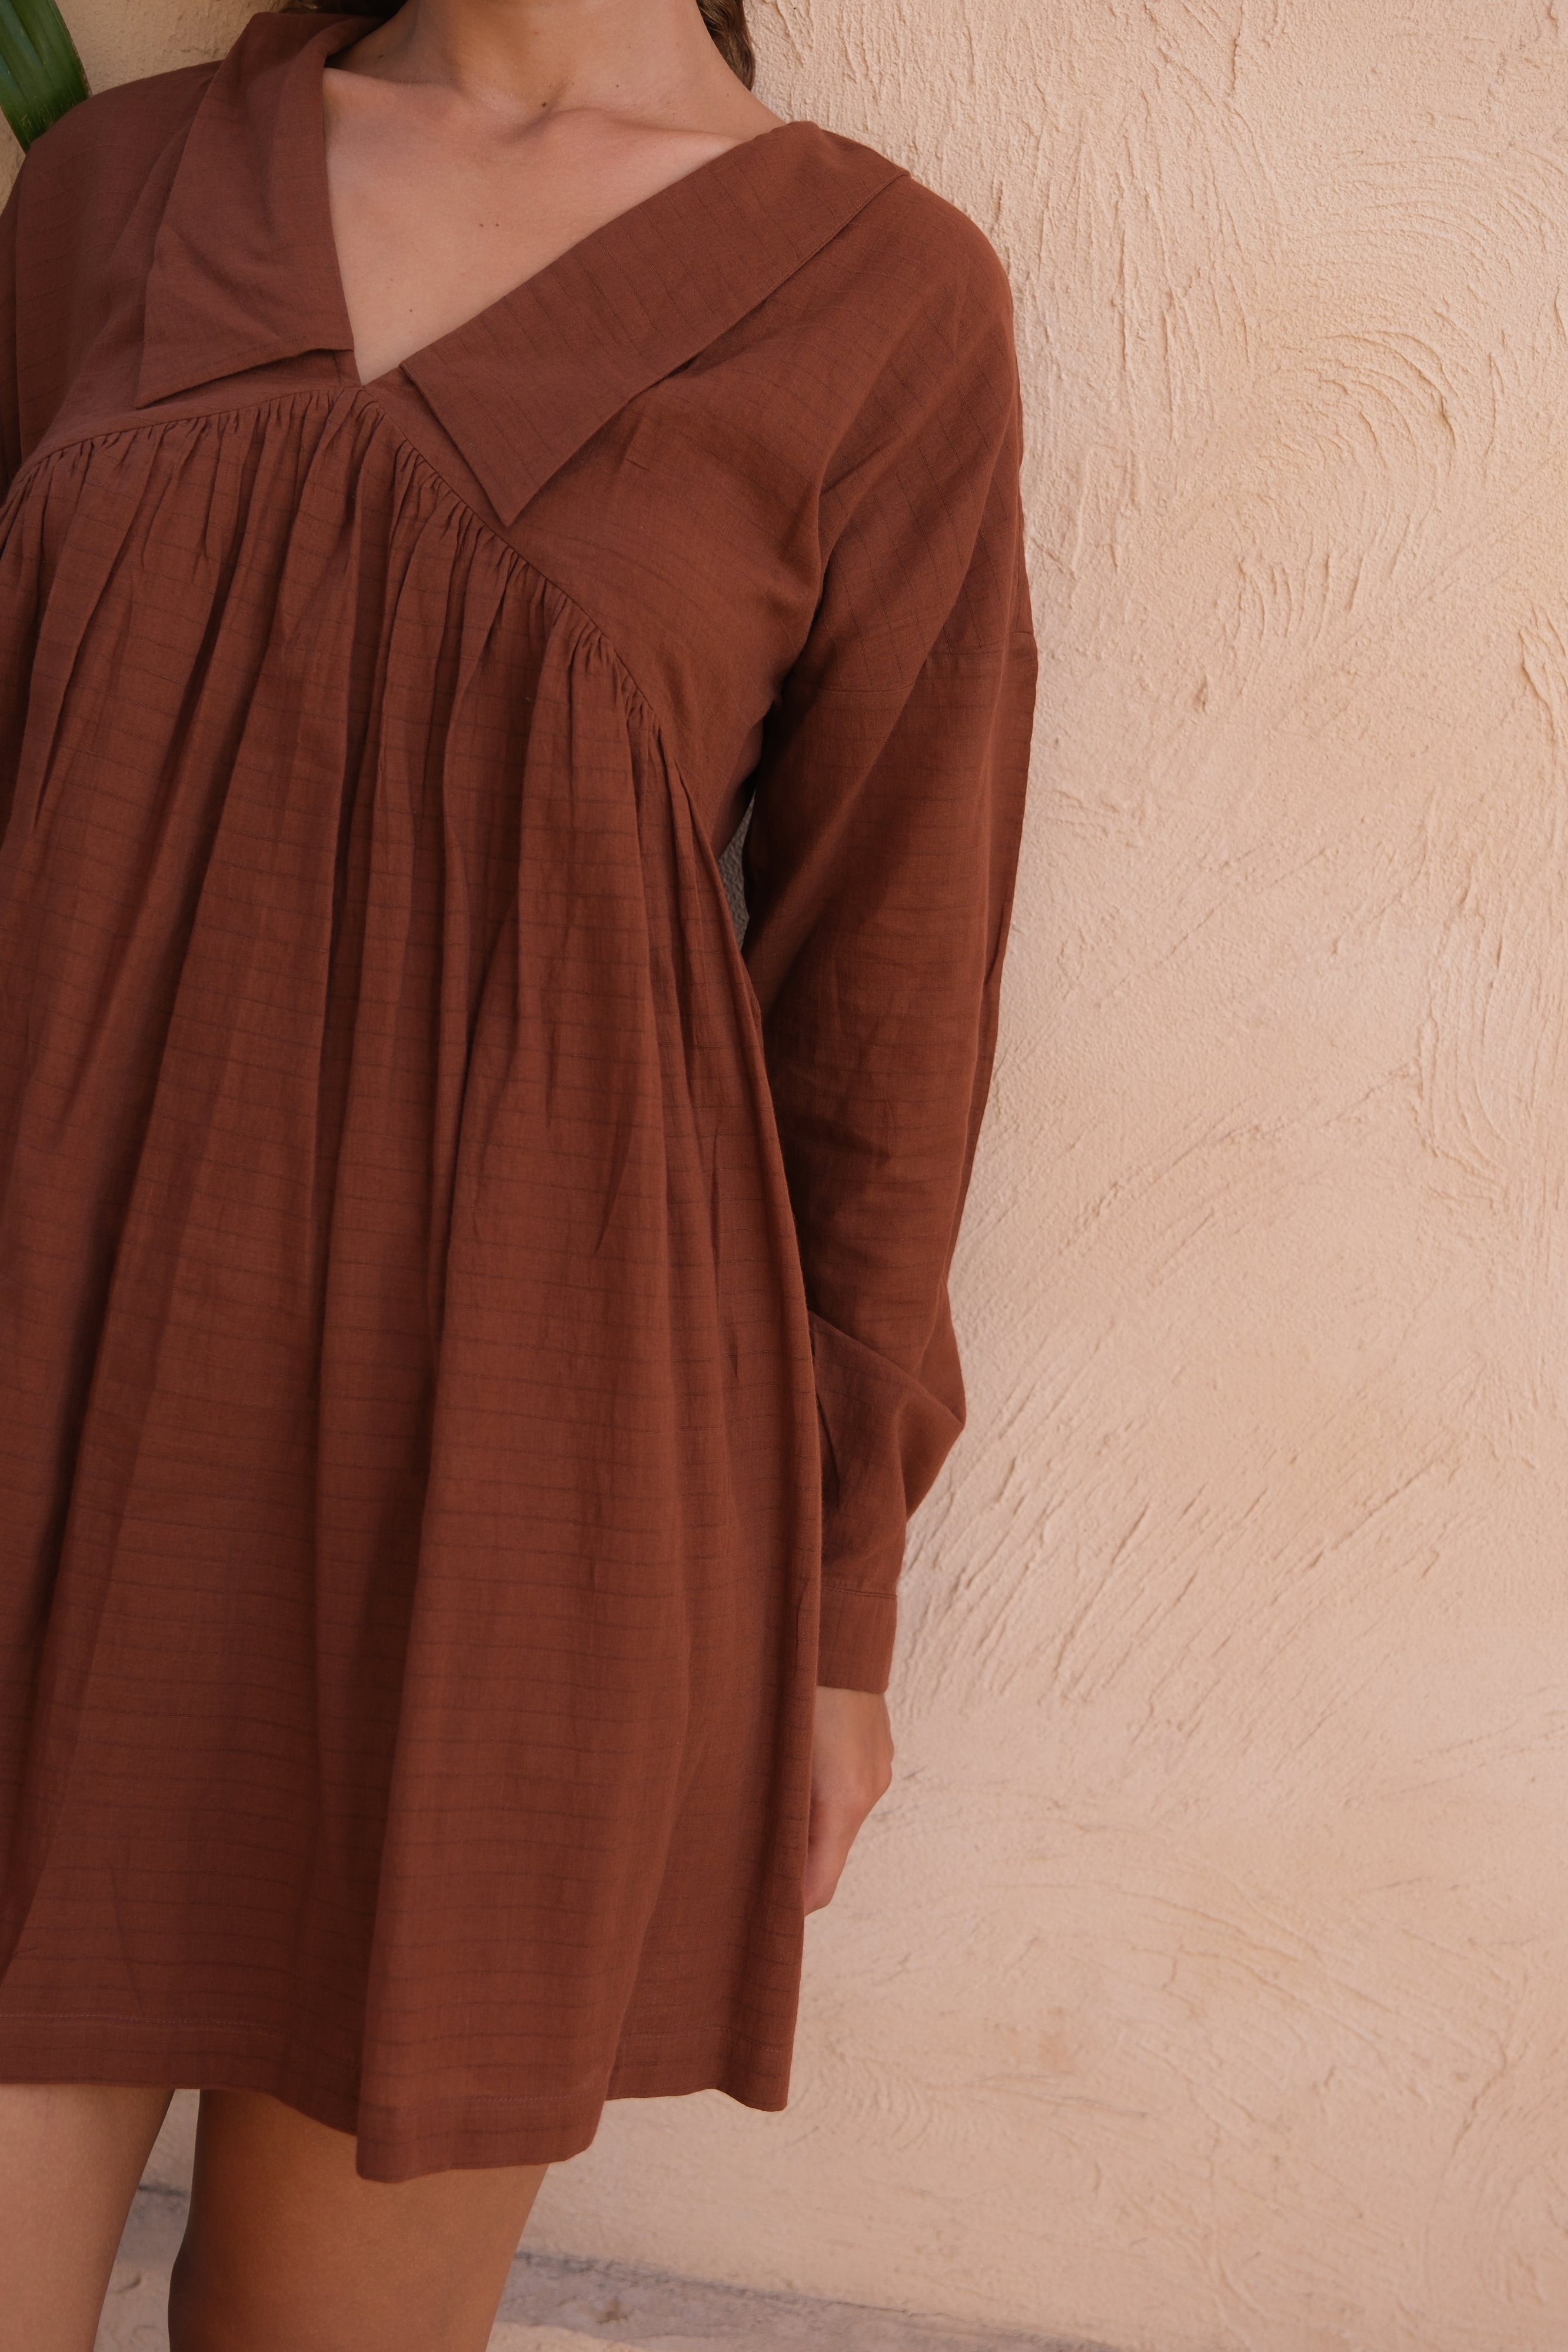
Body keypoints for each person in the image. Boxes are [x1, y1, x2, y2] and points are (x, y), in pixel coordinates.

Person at [0, 0, 1036, 2343]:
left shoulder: (880, 295)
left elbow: (886, 1007)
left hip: (508, 1500)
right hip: (31, 1411)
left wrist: (831, 1619)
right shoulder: (113, 191)